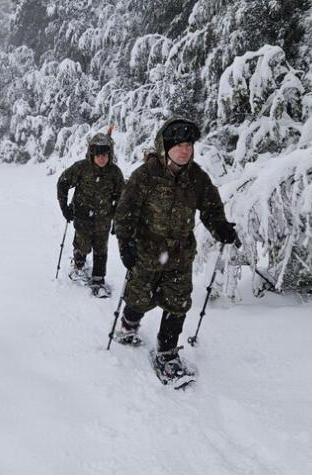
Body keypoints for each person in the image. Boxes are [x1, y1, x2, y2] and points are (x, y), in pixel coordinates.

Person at [112, 117, 239, 382]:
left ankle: (167, 352)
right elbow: (125, 212)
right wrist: (126, 245)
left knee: (178, 302)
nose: (185, 150)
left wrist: (221, 227)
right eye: (179, 145)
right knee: (139, 298)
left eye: (189, 144)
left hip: (181, 253)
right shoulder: (146, 175)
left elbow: (211, 207)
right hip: (147, 251)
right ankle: (128, 324)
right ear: (165, 147)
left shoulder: (197, 178)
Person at [56, 132, 125, 297]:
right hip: (82, 216)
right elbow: (63, 182)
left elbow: (121, 198)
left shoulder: (115, 173)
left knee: (101, 249)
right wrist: (64, 207)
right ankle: (78, 264)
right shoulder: (81, 168)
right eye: (98, 155)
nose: (102, 158)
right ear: (92, 154)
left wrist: (118, 221)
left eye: (105, 155)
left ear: (110, 155)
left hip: (103, 218)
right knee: (83, 244)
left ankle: (98, 280)